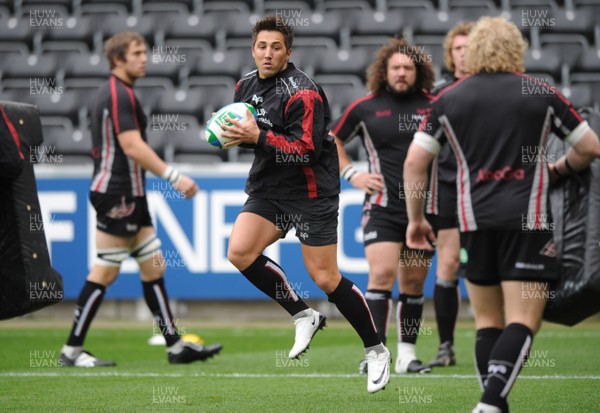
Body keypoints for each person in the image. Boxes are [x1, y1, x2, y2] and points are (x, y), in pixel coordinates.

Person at [403, 17, 600, 412]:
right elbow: (590, 147)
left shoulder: (449, 98)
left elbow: (414, 162)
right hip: (529, 222)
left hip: (471, 224)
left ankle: (494, 404)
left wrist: (416, 219)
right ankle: (491, 403)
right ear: (516, 49)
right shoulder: (539, 91)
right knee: (524, 319)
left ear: (473, 49)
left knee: (487, 321)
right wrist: (557, 169)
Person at [222, 16, 390, 393]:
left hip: (312, 191)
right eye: (262, 46)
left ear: (288, 52)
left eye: (276, 47)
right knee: (240, 252)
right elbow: (250, 133)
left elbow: (303, 151)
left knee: (326, 278)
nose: (268, 53)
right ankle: (303, 314)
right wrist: (231, 135)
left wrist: (256, 135)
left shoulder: (304, 93)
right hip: (269, 188)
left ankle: (376, 350)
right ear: (253, 49)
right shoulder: (245, 84)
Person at [59, 32, 222, 367]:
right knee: (105, 271)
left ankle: (175, 346)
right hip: (118, 192)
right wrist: (174, 177)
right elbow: (131, 146)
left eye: (144, 52)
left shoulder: (119, 92)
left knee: (153, 265)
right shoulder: (118, 94)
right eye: (137, 53)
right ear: (118, 59)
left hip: (129, 192)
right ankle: (71, 351)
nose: (144, 58)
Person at [331, 37, 435, 374]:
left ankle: (407, 355)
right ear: (384, 71)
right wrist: (352, 173)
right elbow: (332, 140)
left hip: (423, 209)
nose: (402, 73)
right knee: (381, 274)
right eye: (396, 68)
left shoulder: (435, 106)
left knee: (414, 284)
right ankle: (376, 352)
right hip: (381, 206)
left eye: (408, 67)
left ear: (417, 72)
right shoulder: (366, 107)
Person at [427, 21, 474, 368]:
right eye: (458, 48)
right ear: (450, 53)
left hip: (490, 187)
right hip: (447, 187)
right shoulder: (437, 92)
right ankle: (446, 346)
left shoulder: (495, 86)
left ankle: (508, 337)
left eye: (470, 46)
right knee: (448, 264)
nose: (464, 53)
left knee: (492, 265)